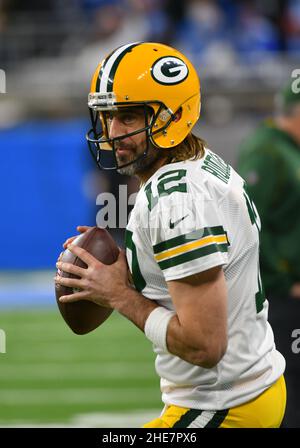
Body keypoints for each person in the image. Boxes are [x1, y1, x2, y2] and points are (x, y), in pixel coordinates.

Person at [55, 42, 286, 428]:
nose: (114, 133)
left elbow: (205, 344)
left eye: (128, 117)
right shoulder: (198, 163)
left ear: (172, 116)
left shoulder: (174, 202)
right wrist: (128, 268)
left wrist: (119, 294)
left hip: (224, 405)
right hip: (248, 391)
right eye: (107, 116)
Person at [237, 81, 300, 427]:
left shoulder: (289, 148)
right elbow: (247, 224)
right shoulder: (267, 151)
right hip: (283, 295)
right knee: (290, 389)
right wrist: (281, 280)